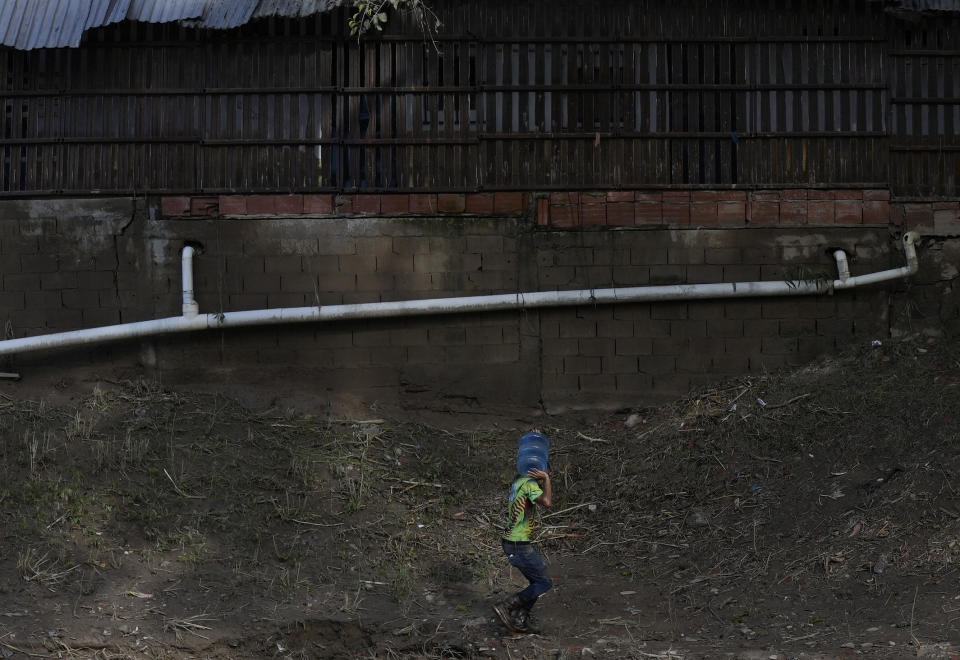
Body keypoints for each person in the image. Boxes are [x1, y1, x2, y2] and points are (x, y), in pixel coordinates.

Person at [492, 462, 553, 634]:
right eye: (546, 471)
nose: (545, 476)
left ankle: (520, 619)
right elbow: (547, 502)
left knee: (537, 581)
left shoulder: (519, 479)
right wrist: (546, 479)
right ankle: (506, 605)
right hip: (518, 545)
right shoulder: (530, 484)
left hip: (513, 542)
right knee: (544, 582)